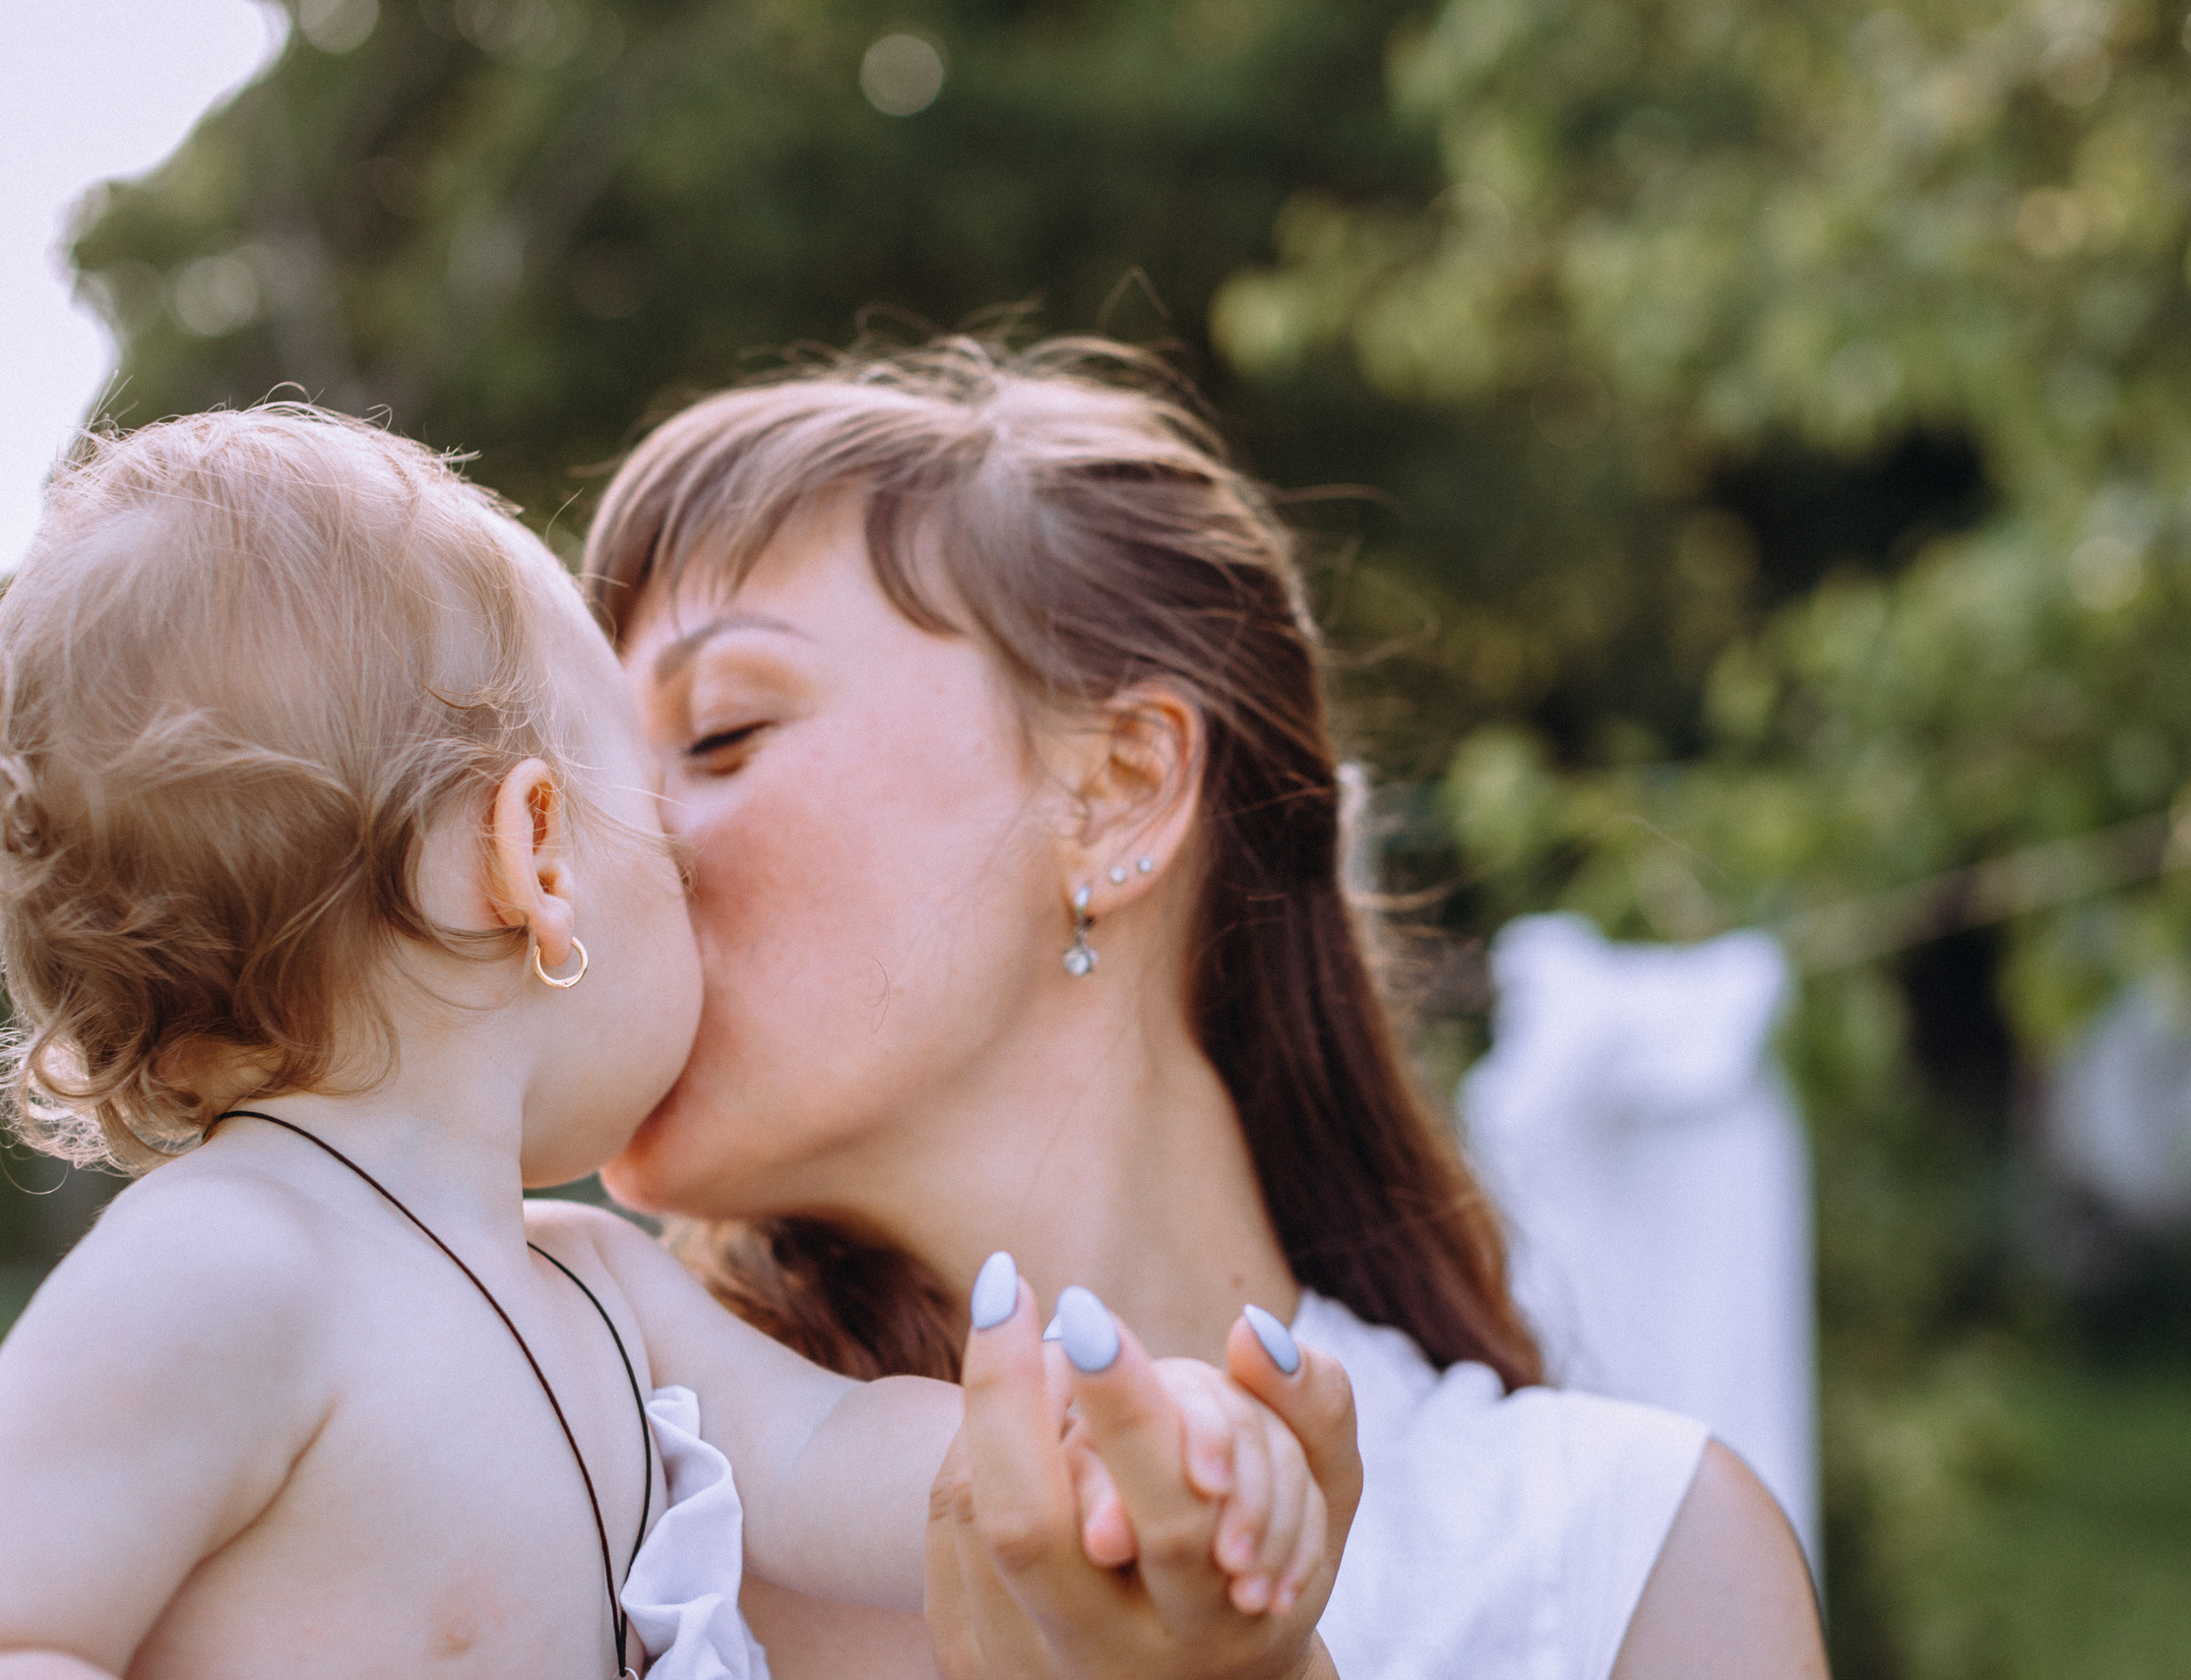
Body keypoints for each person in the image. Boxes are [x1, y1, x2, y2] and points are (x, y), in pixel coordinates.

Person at [0, 407, 1344, 1680]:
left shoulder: (593, 1285)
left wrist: (1122, 1453)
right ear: (534, 856)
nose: (690, 861)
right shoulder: (223, 1268)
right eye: (653, 785)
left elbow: (836, 1452)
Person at [584, 337, 1831, 1678]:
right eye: (579, 767)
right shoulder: (586, 1499)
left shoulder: (1622, 1573)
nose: (593, 846)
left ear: (1119, 788)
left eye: (718, 735)